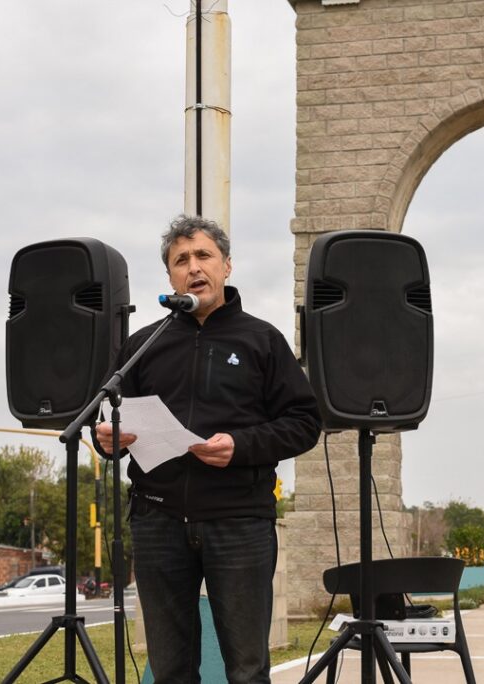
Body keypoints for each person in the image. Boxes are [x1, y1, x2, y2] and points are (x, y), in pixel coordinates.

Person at [96, 215, 321, 684]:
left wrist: (240, 446)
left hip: (239, 522)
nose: (193, 267)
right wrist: (107, 440)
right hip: (157, 522)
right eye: (181, 260)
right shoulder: (143, 345)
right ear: (170, 277)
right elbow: (111, 421)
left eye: (204, 256)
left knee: (246, 669)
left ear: (227, 266)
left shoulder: (262, 341)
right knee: (172, 670)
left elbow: (304, 423)